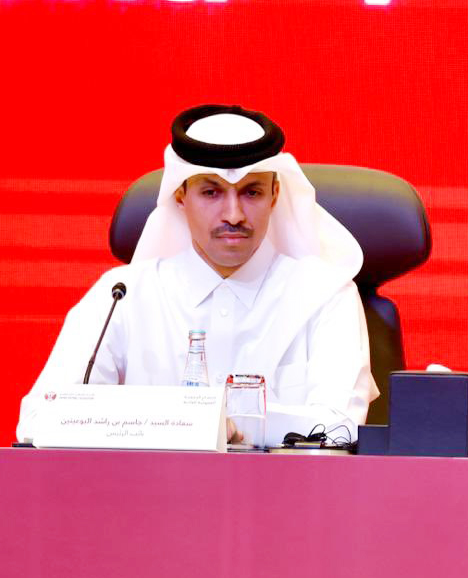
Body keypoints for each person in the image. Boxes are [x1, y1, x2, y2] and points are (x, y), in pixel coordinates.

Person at [18, 104, 378, 444]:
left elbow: (340, 427)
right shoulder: (122, 295)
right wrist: (183, 423)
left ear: (274, 194)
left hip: (287, 500)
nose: (233, 215)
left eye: (251, 192)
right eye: (211, 192)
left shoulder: (325, 295)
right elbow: (37, 420)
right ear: (180, 195)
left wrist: (235, 426)